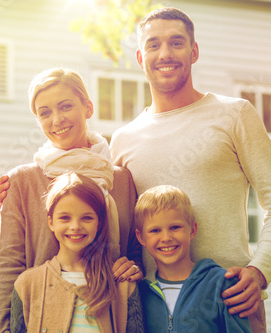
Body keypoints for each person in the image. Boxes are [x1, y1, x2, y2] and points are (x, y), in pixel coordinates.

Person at [110, 7, 271, 332]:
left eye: (176, 43)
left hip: (230, 305)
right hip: (152, 311)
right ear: (141, 58)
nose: (165, 53)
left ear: (193, 51)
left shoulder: (235, 114)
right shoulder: (123, 139)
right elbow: (110, 216)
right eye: (154, 45)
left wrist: (260, 269)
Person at [0, 68, 142, 332]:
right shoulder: (22, 181)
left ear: (88, 107)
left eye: (66, 107)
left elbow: (136, 251)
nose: (57, 119)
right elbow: (9, 264)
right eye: (45, 113)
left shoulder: (121, 180)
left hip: (108, 317)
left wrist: (133, 268)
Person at [10, 172, 143, 332]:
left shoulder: (122, 286)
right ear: (50, 222)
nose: (75, 226)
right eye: (65, 218)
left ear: (99, 223)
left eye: (87, 218)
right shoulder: (27, 284)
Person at [135, 185, 251, 332]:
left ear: (192, 230)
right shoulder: (141, 292)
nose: (166, 238)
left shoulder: (221, 284)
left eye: (175, 227)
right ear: (141, 237)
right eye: (155, 230)